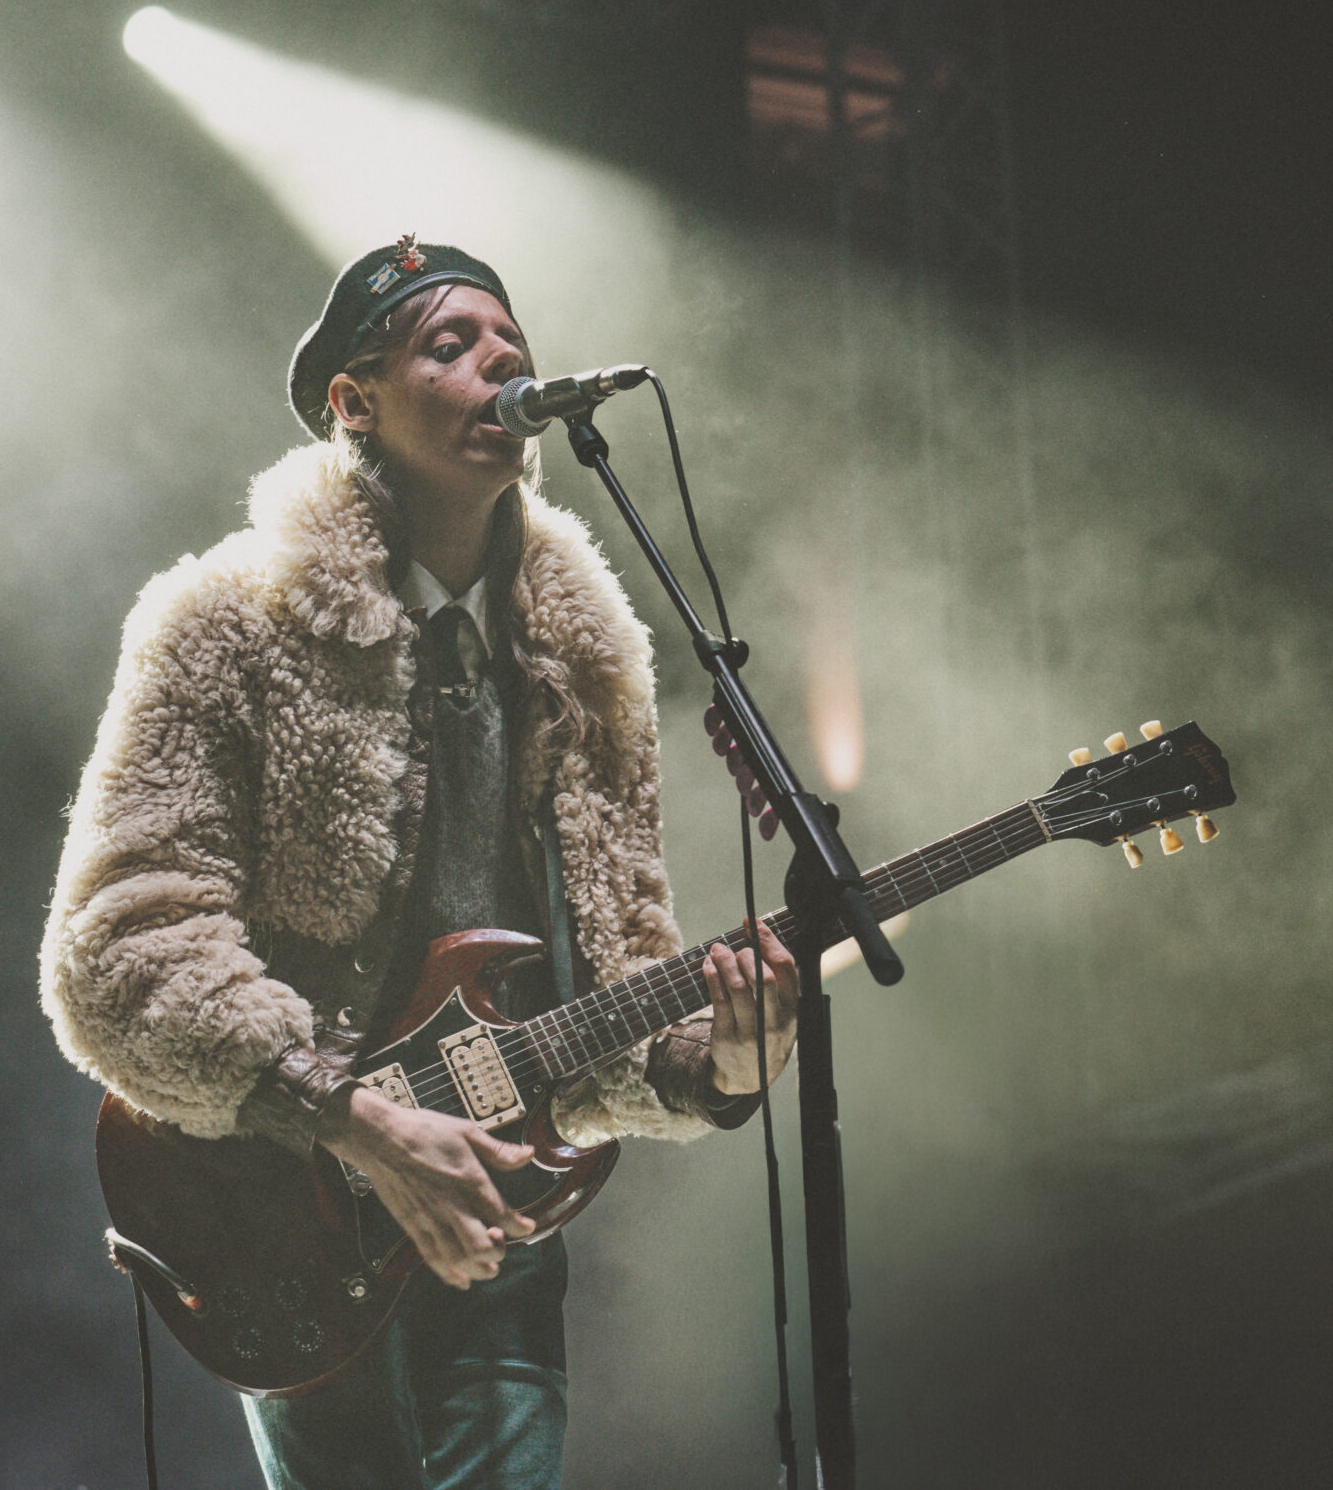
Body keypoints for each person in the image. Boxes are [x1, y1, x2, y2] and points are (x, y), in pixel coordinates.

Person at [40, 237, 800, 1490]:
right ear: (356, 403)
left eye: (512, 343)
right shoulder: (224, 622)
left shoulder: (588, 656)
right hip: (286, 1212)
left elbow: (613, 983)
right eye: (450, 345)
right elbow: (120, 947)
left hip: (497, 1218)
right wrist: (355, 1120)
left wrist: (720, 1064)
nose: (500, 361)